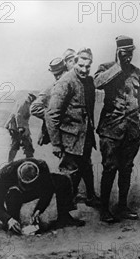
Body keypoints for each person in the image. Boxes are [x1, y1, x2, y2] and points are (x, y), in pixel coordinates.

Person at [94, 35, 140, 223]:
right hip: (111, 130)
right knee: (110, 168)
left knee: (126, 169)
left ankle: (122, 207)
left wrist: (137, 112)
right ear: (118, 52)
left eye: (131, 53)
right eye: (124, 53)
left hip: (131, 130)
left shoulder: (138, 73)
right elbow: (97, 83)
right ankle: (104, 209)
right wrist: (117, 65)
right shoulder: (106, 68)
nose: (128, 57)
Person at [45, 48, 98, 224]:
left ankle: (70, 208)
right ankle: (61, 216)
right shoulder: (65, 82)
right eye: (81, 65)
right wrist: (56, 144)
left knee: (78, 175)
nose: (84, 70)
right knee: (66, 177)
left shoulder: (88, 81)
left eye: (88, 66)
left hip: (85, 139)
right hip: (69, 139)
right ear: (74, 63)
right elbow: (52, 114)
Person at [0, 159, 83, 234]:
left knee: (63, 180)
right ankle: (14, 221)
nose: (28, 188)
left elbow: (48, 190)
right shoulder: (5, 175)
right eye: (26, 185)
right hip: (16, 194)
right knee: (12, 198)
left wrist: (38, 210)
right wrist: (9, 219)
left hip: (36, 188)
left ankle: (64, 217)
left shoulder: (41, 166)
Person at [30, 57, 68, 146]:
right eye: (56, 75)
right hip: (58, 132)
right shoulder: (50, 89)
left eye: (61, 73)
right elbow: (34, 108)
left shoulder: (71, 85)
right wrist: (52, 115)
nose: (59, 77)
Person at [5, 93, 37, 161]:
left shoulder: (28, 104)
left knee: (28, 144)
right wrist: (20, 127)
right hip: (15, 126)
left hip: (23, 127)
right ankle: (10, 162)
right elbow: (18, 115)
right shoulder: (23, 103)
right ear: (31, 97)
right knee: (15, 144)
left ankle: (29, 160)